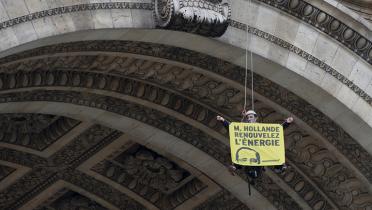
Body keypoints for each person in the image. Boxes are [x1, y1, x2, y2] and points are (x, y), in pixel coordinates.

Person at [217, 110, 293, 184]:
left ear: (255, 118)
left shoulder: (261, 128)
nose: (249, 119)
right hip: (248, 153)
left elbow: (276, 131)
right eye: (248, 118)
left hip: (260, 153)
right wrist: (222, 120)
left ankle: (280, 166)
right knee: (240, 153)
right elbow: (231, 129)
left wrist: (287, 123)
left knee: (273, 152)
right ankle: (235, 167)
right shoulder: (243, 127)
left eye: (250, 117)